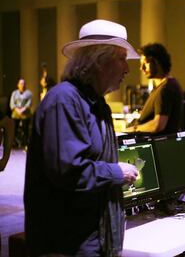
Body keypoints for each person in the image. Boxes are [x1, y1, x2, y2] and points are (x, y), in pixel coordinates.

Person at [24, 19, 140, 257]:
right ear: (99, 61)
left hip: (91, 237)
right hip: (67, 244)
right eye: (121, 59)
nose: (127, 69)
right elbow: (69, 173)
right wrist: (117, 172)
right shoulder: (64, 101)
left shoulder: (97, 103)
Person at [125, 43, 183, 135]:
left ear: (157, 62)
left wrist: (132, 129)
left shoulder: (166, 89)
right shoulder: (165, 86)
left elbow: (158, 125)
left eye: (146, 63)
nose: (141, 68)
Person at [9, 78, 32, 147]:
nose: (22, 85)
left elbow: (29, 103)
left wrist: (22, 110)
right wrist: (17, 110)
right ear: (18, 85)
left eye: (24, 83)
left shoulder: (29, 93)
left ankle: (25, 142)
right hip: (15, 113)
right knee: (14, 128)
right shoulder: (14, 93)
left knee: (25, 128)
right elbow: (12, 103)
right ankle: (14, 142)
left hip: (25, 114)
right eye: (21, 83)